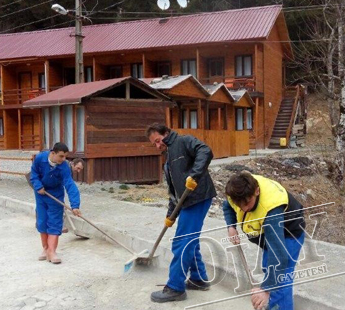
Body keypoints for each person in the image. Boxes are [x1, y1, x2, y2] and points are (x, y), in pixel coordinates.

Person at [146, 123, 217, 303]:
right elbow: (175, 192)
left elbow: (205, 151)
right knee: (189, 240)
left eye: (158, 140)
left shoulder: (183, 141)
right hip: (186, 202)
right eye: (154, 143)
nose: (157, 145)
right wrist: (171, 215)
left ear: (166, 133)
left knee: (181, 242)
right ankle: (198, 278)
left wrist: (195, 175)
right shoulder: (168, 158)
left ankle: (175, 288)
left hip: (198, 197)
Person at [223, 171, 305, 310]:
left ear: (257, 191)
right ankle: (272, 305)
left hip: (290, 232)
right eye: (239, 205)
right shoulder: (238, 193)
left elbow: (279, 257)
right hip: (268, 235)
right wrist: (231, 226)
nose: (244, 208)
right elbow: (227, 206)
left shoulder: (271, 209)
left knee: (281, 276)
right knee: (269, 268)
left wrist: (265, 289)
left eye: (247, 203)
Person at [30, 142, 81, 264]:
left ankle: (52, 251)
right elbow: (34, 174)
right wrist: (38, 186)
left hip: (55, 195)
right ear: (53, 153)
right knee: (42, 221)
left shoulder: (64, 167)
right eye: (61, 156)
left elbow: (70, 184)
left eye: (65, 157)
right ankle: (45, 249)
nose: (64, 159)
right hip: (41, 194)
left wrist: (75, 205)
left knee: (55, 222)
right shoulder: (40, 158)